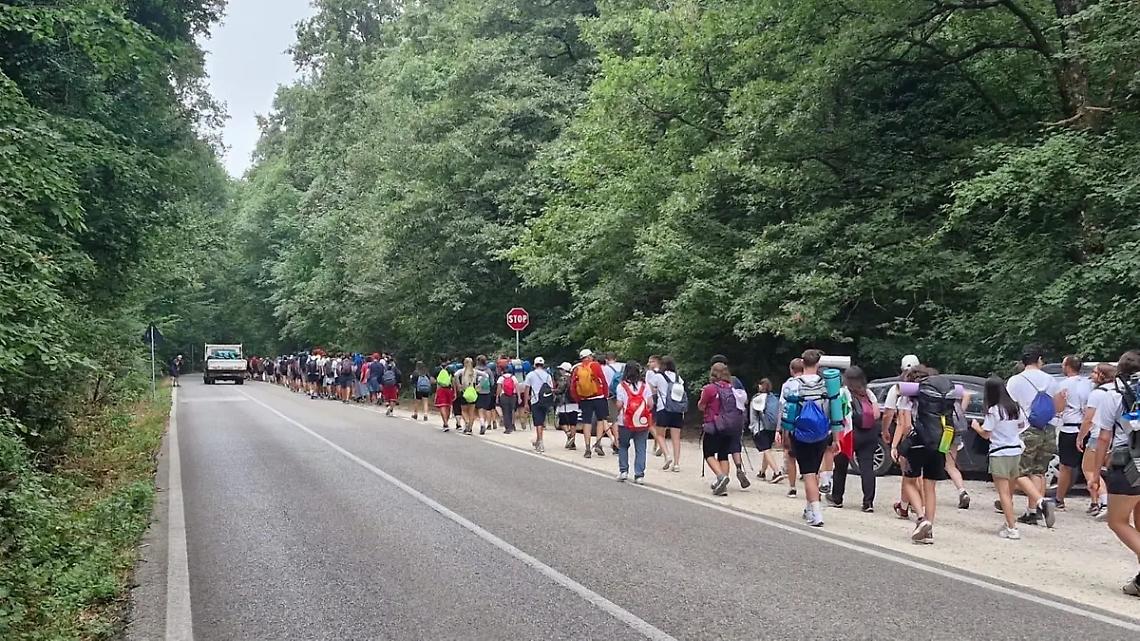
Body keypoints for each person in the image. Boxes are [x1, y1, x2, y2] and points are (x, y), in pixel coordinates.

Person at [1090, 350, 1140, 597]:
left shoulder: (1113, 394)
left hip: (1127, 463)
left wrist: (1095, 473)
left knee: (1117, 521)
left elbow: (1103, 437)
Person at [889, 364, 948, 544]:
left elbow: (906, 425)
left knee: (908, 481)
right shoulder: (939, 397)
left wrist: (899, 447)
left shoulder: (907, 398)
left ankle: (921, 518)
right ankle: (928, 531)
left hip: (917, 443)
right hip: (939, 443)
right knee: (930, 487)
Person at [1004, 344, 1060, 526]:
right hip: (1048, 429)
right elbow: (1059, 407)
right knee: (1039, 470)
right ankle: (1033, 511)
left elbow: (1009, 407)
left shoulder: (1015, 381)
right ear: (1039, 360)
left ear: (1023, 361)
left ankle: (1041, 501)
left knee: (1018, 470)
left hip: (1026, 429)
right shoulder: (1051, 380)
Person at [781, 349, 838, 527]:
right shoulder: (827, 384)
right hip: (822, 434)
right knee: (814, 471)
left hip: (800, 434)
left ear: (802, 363)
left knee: (808, 475)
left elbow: (786, 414)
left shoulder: (792, 384)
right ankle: (809, 508)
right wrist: (835, 438)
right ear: (818, 364)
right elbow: (834, 412)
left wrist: (785, 436)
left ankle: (817, 513)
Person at [971, 376, 1026, 540]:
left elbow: (986, 434)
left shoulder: (993, 410)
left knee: (1003, 494)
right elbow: (1022, 425)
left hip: (1000, 452)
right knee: (1009, 492)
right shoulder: (1014, 407)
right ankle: (1009, 522)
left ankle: (1012, 527)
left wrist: (976, 427)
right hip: (1015, 451)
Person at [828, 366, 880, 512]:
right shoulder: (868, 393)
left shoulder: (843, 392)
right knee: (867, 468)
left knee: (840, 467)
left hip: (850, 433)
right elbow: (876, 415)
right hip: (870, 433)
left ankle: (837, 498)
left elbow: (838, 415)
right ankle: (868, 502)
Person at [699, 362, 745, 496]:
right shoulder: (733, 388)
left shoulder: (710, 389)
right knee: (723, 454)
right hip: (730, 426)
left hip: (714, 425)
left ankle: (721, 477)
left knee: (708, 453)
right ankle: (722, 485)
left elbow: (701, 406)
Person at [884, 354, 920, 519]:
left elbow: (901, 423)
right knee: (918, 476)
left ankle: (919, 509)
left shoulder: (899, 389)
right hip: (931, 436)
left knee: (910, 475)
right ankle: (905, 506)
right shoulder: (928, 389)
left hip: (911, 438)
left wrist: (895, 444)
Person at [1055, 355, 1093, 510]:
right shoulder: (1088, 384)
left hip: (1069, 427)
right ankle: (1096, 501)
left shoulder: (1063, 385)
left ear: (1068, 366)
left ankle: (1059, 499)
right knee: (1088, 467)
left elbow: (1058, 408)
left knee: (1065, 467)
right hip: (1086, 427)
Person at [1079, 362, 1116, 519]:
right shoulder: (1117, 390)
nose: (1091, 375)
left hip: (1098, 435)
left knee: (1089, 469)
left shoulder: (1097, 393)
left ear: (1102, 375)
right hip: (1117, 438)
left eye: (1094, 372)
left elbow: (1088, 418)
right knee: (1112, 472)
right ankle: (1099, 502)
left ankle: (1104, 501)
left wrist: (1080, 436)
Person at [710, 355, 751, 489]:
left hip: (720, 421)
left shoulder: (714, 384)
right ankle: (739, 468)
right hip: (737, 419)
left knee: (721, 451)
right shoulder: (735, 381)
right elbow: (744, 400)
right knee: (735, 444)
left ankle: (722, 477)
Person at [615, 361, 653, 484]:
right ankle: (639, 475)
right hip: (642, 422)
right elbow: (650, 404)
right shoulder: (645, 386)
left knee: (623, 446)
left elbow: (619, 404)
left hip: (625, 421)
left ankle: (623, 471)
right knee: (641, 448)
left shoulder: (621, 386)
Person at [571, 349, 611, 458]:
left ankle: (587, 448)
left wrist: (578, 399)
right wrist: (605, 394)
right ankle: (598, 442)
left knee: (586, 422)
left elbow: (573, 386)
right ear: (589, 356)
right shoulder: (595, 365)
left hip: (584, 399)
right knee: (600, 420)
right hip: (598, 396)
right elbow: (602, 380)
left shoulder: (577, 369)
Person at [650, 356, 685, 473]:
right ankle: (677, 464)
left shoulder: (658, 376)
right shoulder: (677, 377)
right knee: (676, 438)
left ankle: (667, 455)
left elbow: (651, 390)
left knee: (660, 435)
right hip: (677, 409)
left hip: (663, 408)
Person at [777, 358, 804, 497]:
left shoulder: (787, 385)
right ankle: (813, 485)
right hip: (809, 425)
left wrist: (778, 429)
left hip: (791, 425)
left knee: (791, 456)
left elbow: (782, 407)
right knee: (809, 457)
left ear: (791, 370)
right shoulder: (812, 383)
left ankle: (792, 488)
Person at [748, 379, 782, 482]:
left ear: (760, 386)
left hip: (761, 428)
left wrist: (752, 428)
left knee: (765, 450)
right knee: (767, 449)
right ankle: (762, 472)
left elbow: (753, 416)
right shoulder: (774, 398)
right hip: (772, 427)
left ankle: (777, 472)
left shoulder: (757, 398)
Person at [523, 357, 555, 452]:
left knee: (538, 423)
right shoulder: (547, 375)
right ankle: (538, 440)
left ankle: (540, 442)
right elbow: (551, 389)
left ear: (534, 364)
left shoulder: (530, 375)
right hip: (545, 400)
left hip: (535, 400)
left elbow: (527, 389)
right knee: (541, 421)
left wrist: (526, 403)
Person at [644, 355, 671, 462]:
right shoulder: (665, 373)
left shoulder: (650, 373)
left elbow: (649, 387)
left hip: (652, 399)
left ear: (656, 362)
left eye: (651, 362)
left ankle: (659, 442)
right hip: (663, 401)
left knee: (650, 423)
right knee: (659, 424)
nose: (648, 364)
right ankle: (657, 446)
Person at [555, 362, 580, 449]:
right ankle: (573, 442)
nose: (560, 371)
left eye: (561, 369)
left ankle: (569, 435)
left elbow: (560, 390)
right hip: (575, 403)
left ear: (564, 370)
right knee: (573, 423)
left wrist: (553, 391)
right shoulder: (575, 377)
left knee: (563, 422)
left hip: (565, 403)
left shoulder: (563, 378)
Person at [454, 357, 481, 434]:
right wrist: (479, 384)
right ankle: (470, 428)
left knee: (464, 410)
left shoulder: (462, 371)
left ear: (464, 363)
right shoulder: (475, 371)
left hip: (464, 392)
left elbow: (455, 375)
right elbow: (485, 375)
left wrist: (458, 384)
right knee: (471, 412)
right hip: (472, 391)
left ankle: (466, 422)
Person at [474, 355, 496, 432]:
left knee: (480, 409)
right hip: (487, 392)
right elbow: (492, 382)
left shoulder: (475, 370)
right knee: (486, 409)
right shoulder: (489, 370)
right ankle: (486, 423)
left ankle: (482, 423)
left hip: (478, 391)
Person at [434, 358, 456, 432]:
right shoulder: (450, 369)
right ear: (447, 361)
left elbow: (432, 380)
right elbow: (453, 381)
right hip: (449, 389)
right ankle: (446, 421)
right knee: (448, 406)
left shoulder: (437, 369)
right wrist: (455, 391)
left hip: (440, 389)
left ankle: (445, 423)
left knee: (442, 406)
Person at [496, 363, 518, 434]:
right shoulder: (513, 377)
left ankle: (507, 428)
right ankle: (512, 425)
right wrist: (519, 397)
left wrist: (497, 397)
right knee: (512, 411)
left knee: (505, 412)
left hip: (504, 396)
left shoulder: (501, 378)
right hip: (513, 396)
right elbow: (517, 387)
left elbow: (499, 389)